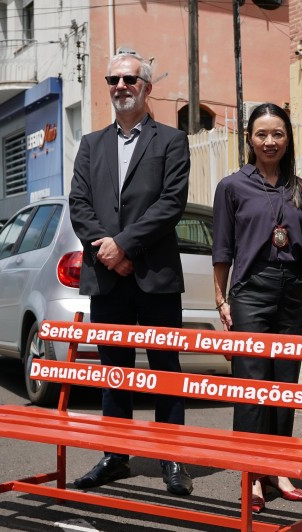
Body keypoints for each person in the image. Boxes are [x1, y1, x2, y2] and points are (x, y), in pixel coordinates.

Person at [68, 51, 193, 497]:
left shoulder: (172, 141)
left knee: (165, 369)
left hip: (154, 276)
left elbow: (171, 203)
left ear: (146, 86)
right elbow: (78, 204)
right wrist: (107, 248)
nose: (120, 86)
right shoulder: (90, 144)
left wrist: (125, 245)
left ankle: (172, 456)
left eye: (129, 79)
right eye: (113, 79)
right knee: (113, 371)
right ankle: (113, 455)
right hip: (106, 278)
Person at [211, 103, 302, 513]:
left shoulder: (301, 189)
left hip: (290, 293)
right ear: (249, 139)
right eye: (261, 134)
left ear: (288, 138)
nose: (270, 141)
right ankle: (251, 475)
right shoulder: (232, 186)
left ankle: (277, 470)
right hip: (250, 292)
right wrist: (221, 300)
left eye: (277, 134)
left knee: (284, 386)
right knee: (252, 386)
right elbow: (222, 247)